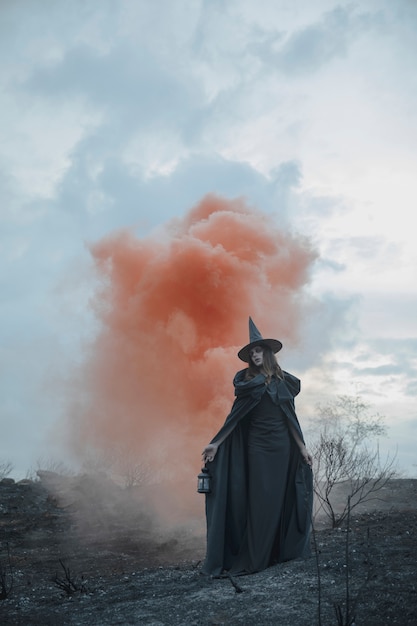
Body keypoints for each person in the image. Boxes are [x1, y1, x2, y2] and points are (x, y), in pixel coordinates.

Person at [201, 317, 313, 577]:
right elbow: (234, 419)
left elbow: (290, 420)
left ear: (268, 353)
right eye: (252, 352)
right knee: (259, 501)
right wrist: (215, 443)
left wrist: (303, 448)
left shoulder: (282, 383)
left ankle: (275, 552)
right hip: (257, 449)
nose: (255, 354)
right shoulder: (247, 385)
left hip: (282, 448)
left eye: (259, 350)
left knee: (278, 499)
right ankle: (256, 557)